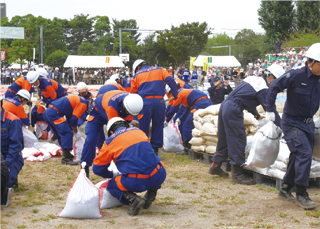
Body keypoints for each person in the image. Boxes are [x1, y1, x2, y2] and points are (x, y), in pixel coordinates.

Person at [265, 43, 320, 210]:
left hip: (308, 124)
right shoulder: (295, 75)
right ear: (310, 62)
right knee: (304, 153)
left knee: (298, 156)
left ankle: (285, 189)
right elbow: (274, 87)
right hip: (291, 123)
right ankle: (302, 193)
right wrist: (270, 110)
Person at [209, 64, 283, 185]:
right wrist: (283, 126)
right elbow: (270, 109)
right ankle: (237, 174)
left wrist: (256, 115)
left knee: (225, 139)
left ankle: (215, 165)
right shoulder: (263, 88)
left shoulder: (253, 79)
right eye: (277, 82)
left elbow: (245, 97)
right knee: (238, 139)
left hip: (226, 105)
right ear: (270, 78)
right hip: (233, 109)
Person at [92, 117, 166, 216]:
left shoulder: (110, 142)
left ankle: (134, 200)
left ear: (111, 131)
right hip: (159, 175)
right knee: (156, 162)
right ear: (126, 125)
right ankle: (152, 192)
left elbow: (97, 168)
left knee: (112, 185)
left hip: (137, 182)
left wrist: (111, 174)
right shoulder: (139, 132)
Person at [81, 90, 143, 178]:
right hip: (97, 112)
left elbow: (126, 124)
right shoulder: (112, 106)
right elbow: (114, 130)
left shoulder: (133, 103)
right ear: (124, 105)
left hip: (116, 111)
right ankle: (85, 166)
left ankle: (123, 161)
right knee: (91, 138)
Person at [130, 59, 178, 155]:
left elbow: (133, 94)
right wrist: (175, 93)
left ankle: (144, 149)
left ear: (138, 67)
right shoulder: (160, 70)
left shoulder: (137, 75)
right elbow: (171, 80)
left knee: (143, 126)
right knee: (158, 126)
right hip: (160, 101)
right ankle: (155, 151)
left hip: (144, 102)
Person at [43, 95, 90, 165]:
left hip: (49, 112)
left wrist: (71, 127)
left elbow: (70, 116)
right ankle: (66, 158)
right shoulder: (83, 104)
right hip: (54, 113)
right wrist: (76, 132)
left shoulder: (79, 100)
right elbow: (74, 119)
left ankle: (66, 153)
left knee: (60, 133)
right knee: (67, 133)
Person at [169, 88, 213, 155]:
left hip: (201, 104)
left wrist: (170, 119)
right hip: (204, 102)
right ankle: (195, 144)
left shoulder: (180, 94)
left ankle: (188, 147)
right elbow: (185, 108)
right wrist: (180, 118)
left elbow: (175, 107)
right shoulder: (184, 92)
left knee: (187, 125)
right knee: (195, 124)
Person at [1, 95, 24, 190]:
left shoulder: (13, 121)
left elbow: (16, 145)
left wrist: (4, 164)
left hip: (9, 157)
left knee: (3, 184)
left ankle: (11, 178)